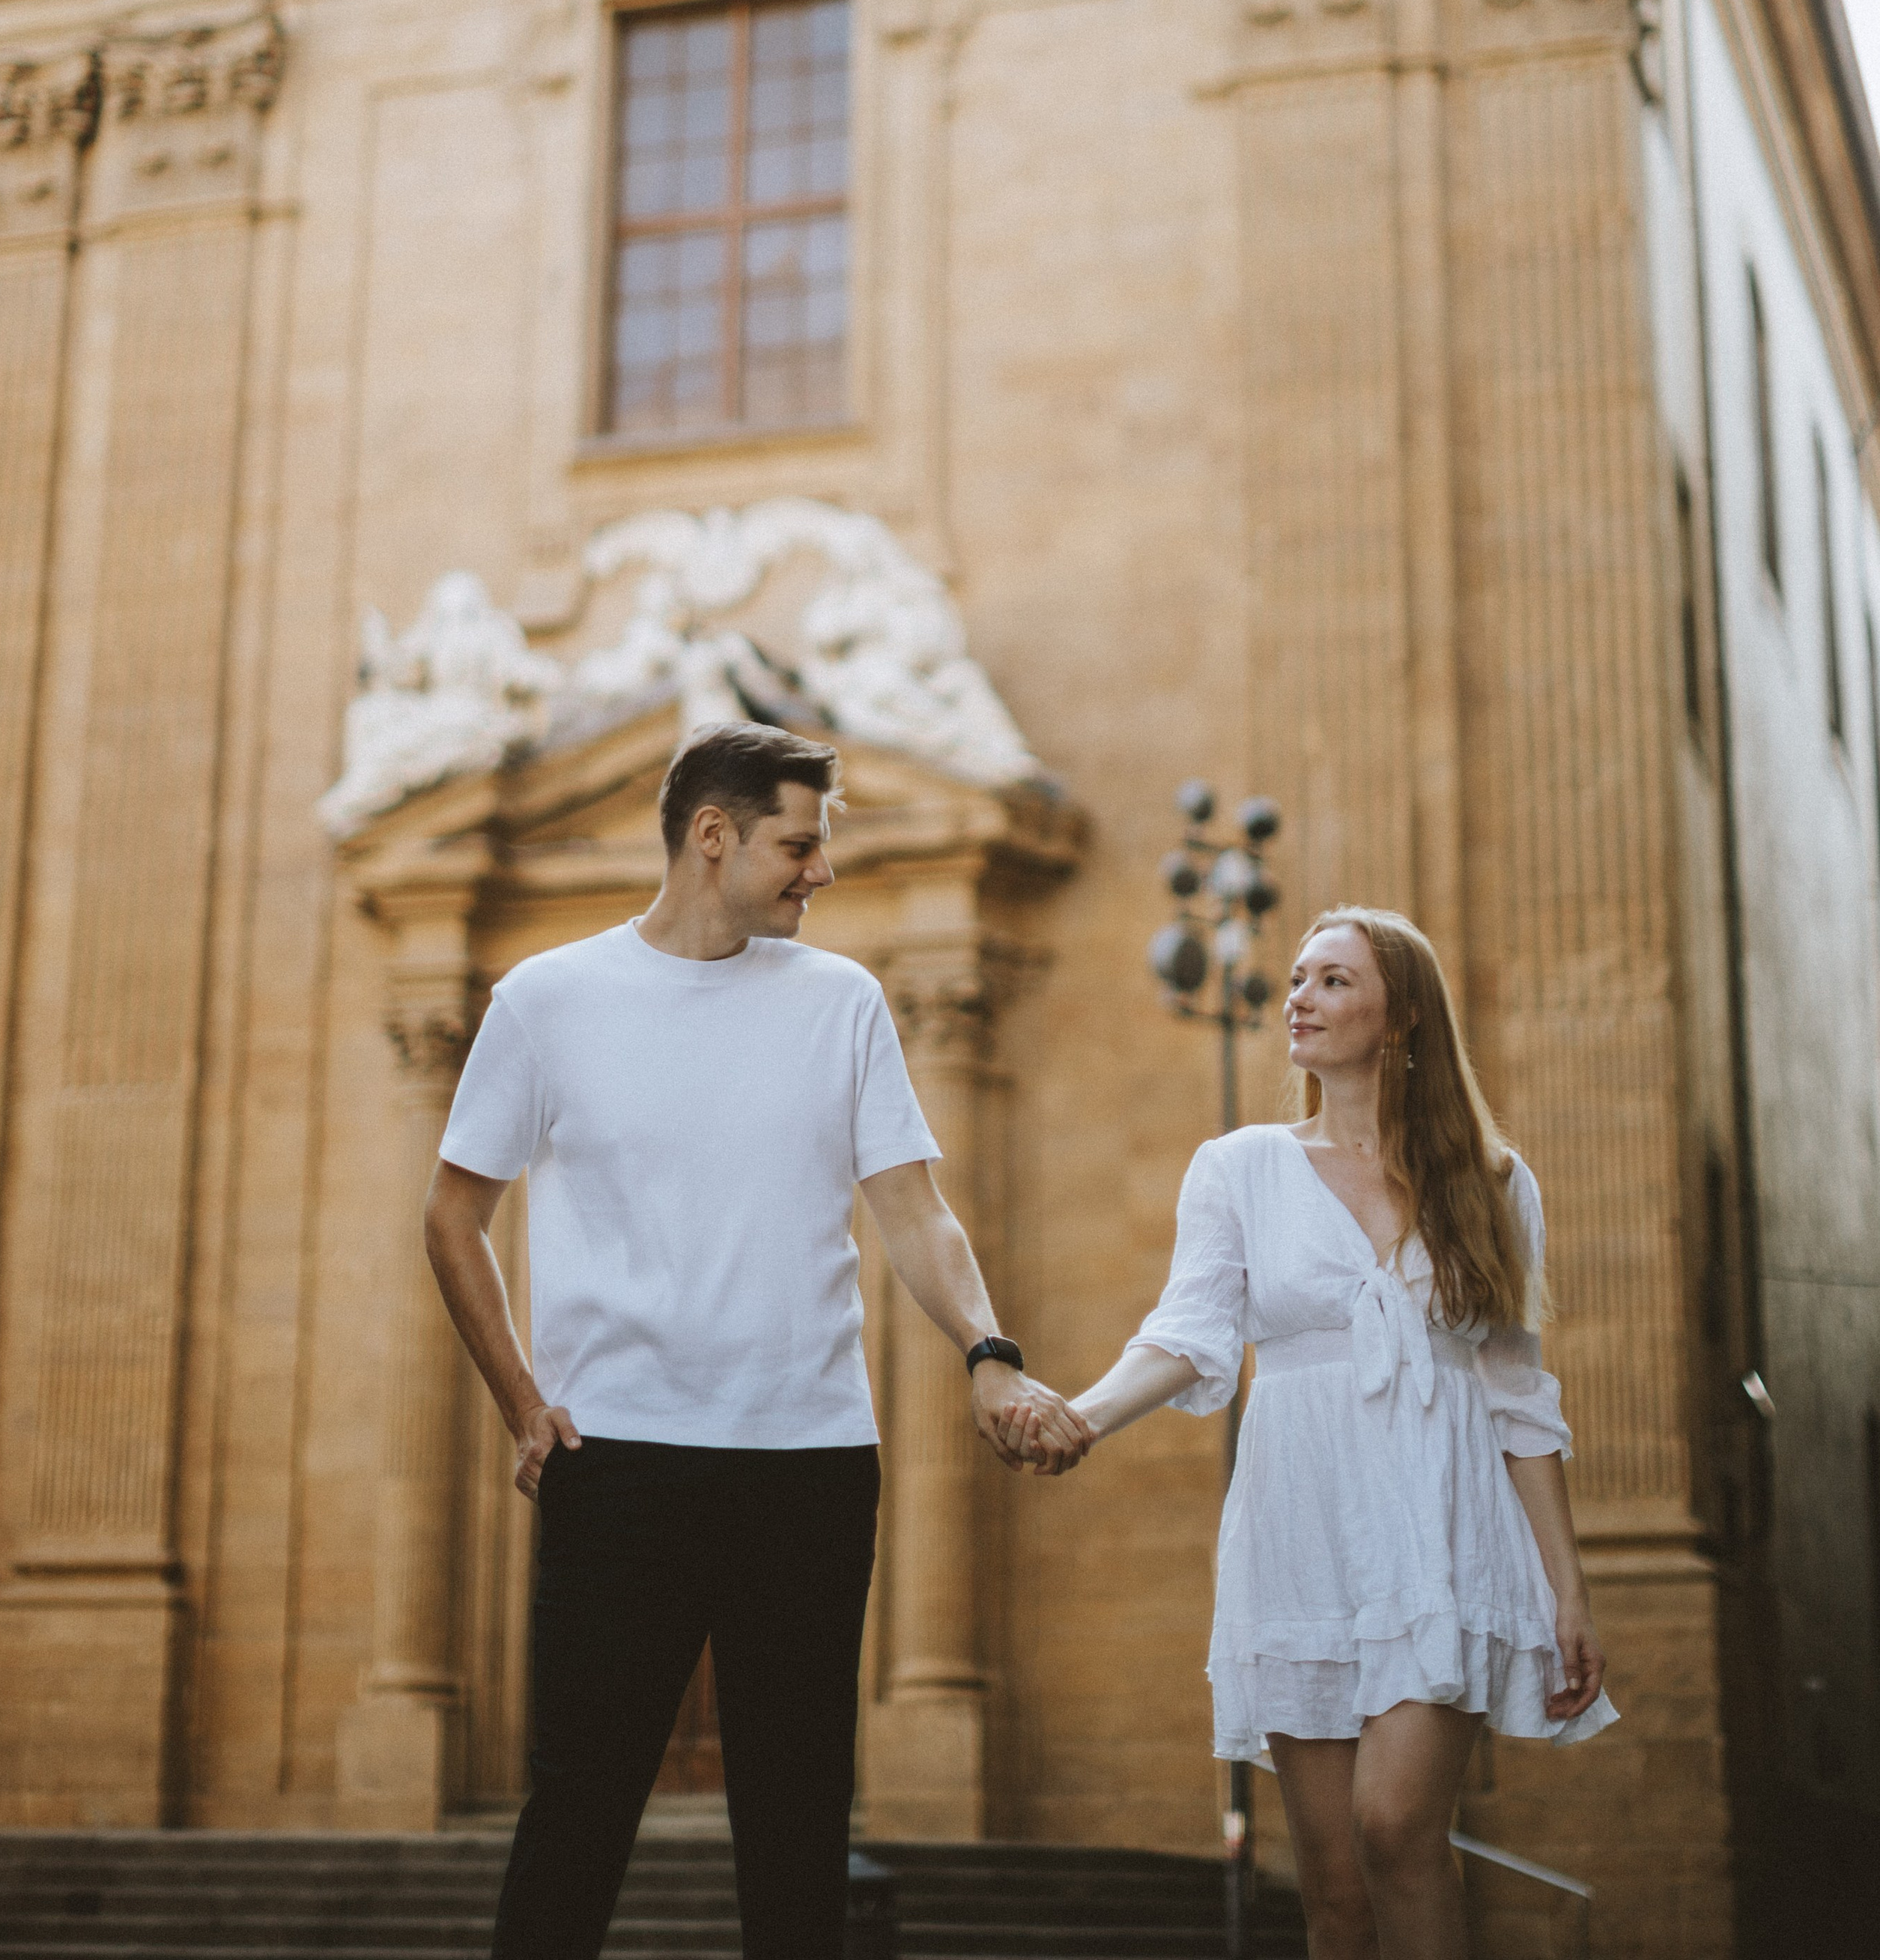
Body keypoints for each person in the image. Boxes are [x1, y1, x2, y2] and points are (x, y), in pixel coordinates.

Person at [425, 720, 1086, 1960]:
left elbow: (915, 1209)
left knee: (797, 1829)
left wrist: (989, 1351)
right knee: (577, 1819)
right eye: (798, 844)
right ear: (712, 835)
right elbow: (453, 1214)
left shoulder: (843, 1001)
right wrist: (522, 1400)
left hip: (811, 1464)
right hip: (616, 1462)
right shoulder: (548, 1000)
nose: (820, 870)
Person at [1013, 905, 1616, 1960]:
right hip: (1303, 1527)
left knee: (1396, 1826)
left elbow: (1519, 1397)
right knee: (1336, 1892)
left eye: (1333, 980)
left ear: (1403, 1014)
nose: (1299, 997)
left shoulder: (1494, 1181)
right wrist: (1084, 1415)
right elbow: (1187, 1333)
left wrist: (1567, 1588)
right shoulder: (1239, 1167)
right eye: (1296, 977)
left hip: (1440, 1529)